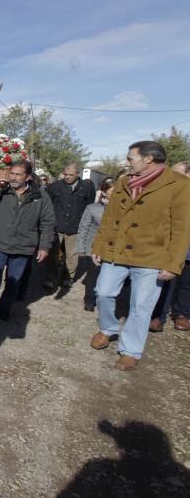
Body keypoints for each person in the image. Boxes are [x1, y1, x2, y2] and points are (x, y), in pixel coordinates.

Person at [90, 142, 190, 370]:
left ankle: (130, 350)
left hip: (152, 256)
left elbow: (182, 228)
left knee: (140, 306)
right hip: (117, 251)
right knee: (103, 292)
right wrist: (99, 246)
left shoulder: (180, 184)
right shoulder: (124, 182)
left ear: (149, 159)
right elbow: (108, 219)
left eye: (130, 158)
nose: (126, 163)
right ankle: (107, 329)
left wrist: (173, 263)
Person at [0, 161, 55, 323]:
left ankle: (5, 308)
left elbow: (47, 222)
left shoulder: (40, 196)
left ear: (28, 177)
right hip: (0, 243)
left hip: (24, 246)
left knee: (13, 282)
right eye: (12, 173)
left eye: (18, 174)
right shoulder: (3, 192)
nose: (13, 177)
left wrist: (45, 246)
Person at [149, 161, 190, 332]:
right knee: (165, 283)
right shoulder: (168, 193)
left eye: (177, 173)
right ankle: (158, 316)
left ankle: (183, 314)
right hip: (168, 247)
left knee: (187, 284)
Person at [44, 163, 96, 289]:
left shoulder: (87, 187)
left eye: (70, 175)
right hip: (57, 227)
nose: (67, 177)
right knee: (53, 255)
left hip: (75, 227)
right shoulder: (54, 187)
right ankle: (51, 279)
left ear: (78, 174)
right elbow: (47, 206)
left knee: (72, 256)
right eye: (65, 174)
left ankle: (68, 278)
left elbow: (89, 206)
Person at [76, 178, 115, 311]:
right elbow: (83, 228)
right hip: (93, 248)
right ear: (103, 192)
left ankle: (105, 299)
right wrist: (81, 247)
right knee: (93, 275)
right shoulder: (93, 208)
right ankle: (90, 300)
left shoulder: (123, 210)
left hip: (113, 249)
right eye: (112, 190)